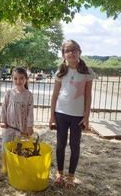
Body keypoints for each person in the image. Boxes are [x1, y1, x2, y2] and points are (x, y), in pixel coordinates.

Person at [49, 40, 94, 189]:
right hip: (61, 114)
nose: (71, 53)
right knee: (60, 145)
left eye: (74, 50)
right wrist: (52, 117)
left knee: (74, 145)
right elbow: (55, 95)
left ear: (79, 52)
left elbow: (88, 96)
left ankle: (71, 176)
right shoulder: (60, 72)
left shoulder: (87, 72)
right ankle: (59, 174)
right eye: (68, 51)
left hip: (77, 116)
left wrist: (86, 117)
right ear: (63, 55)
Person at [0, 67, 34, 174]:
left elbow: (30, 111)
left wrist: (29, 126)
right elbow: (3, 107)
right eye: (16, 78)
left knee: (20, 146)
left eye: (21, 78)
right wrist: (2, 121)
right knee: (6, 144)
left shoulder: (28, 95)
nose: (18, 81)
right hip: (9, 126)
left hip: (22, 126)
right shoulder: (9, 93)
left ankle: (17, 166)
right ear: (12, 79)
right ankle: (5, 165)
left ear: (26, 79)